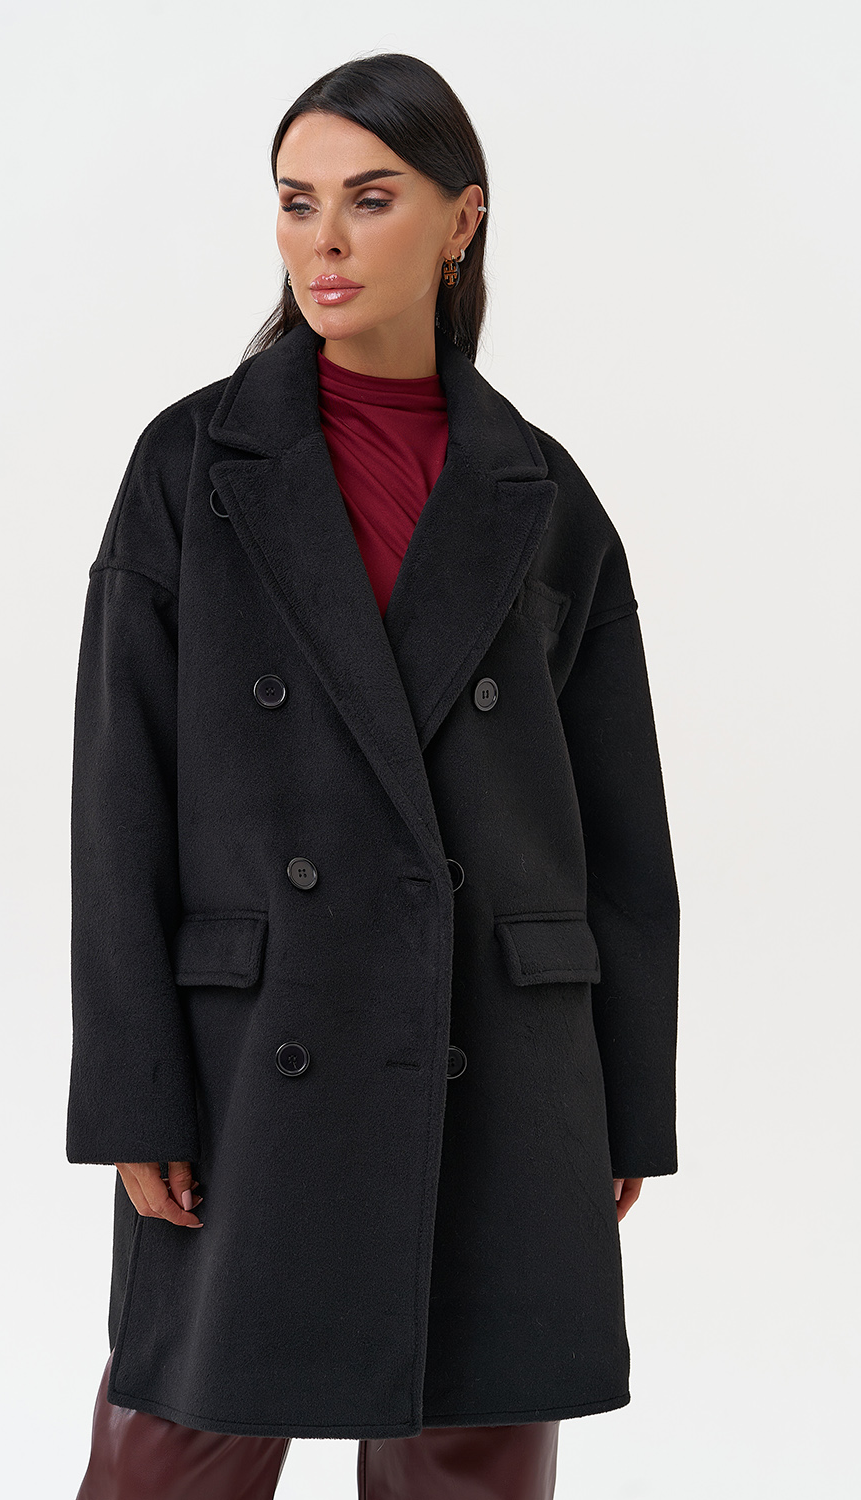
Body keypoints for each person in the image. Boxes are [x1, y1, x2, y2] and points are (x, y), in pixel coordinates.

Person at [68, 52, 680, 1500]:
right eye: (297, 203)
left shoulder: (543, 494)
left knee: (471, 1448)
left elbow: (621, 835)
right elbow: (117, 801)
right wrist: (133, 1090)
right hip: (251, 1051)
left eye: (370, 198)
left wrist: (624, 1101)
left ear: (463, 219)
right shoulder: (193, 467)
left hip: (499, 1052)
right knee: (178, 1442)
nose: (324, 241)